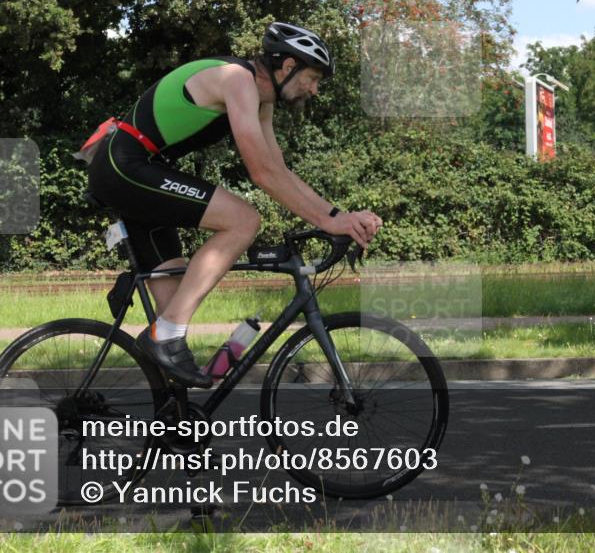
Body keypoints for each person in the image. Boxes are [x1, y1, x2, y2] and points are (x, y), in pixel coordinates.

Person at [86, 22, 383, 388]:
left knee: (175, 305)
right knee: (243, 220)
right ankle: (165, 335)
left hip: (141, 172)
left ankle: (174, 429)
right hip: (124, 166)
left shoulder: (260, 100)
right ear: (287, 66)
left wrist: (337, 216)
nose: (315, 89)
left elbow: (279, 170)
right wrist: (330, 220)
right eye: (313, 76)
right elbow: (261, 174)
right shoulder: (237, 80)